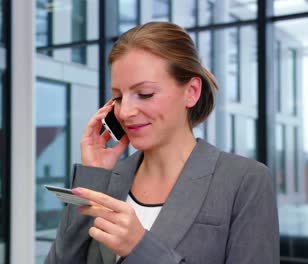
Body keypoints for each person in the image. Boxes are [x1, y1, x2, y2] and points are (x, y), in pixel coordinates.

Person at [45, 22, 279, 264]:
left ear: (191, 91)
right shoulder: (110, 178)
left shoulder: (244, 180)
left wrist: (141, 248)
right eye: (118, 97)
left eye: (145, 94)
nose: (125, 112)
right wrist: (93, 175)